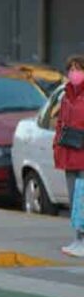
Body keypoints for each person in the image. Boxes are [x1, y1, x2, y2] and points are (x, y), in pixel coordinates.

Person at [55, 55, 84, 257]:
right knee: (74, 198)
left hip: (82, 153)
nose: (74, 72)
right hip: (68, 152)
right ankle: (78, 238)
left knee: (82, 198)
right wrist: (56, 144)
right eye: (71, 68)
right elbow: (59, 123)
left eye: (79, 68)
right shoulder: (65, 96)